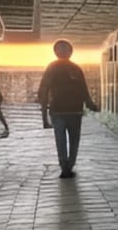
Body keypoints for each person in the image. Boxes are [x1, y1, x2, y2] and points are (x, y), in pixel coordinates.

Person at [37, 39, 98, 178]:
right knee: (74, 139)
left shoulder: (51, 68)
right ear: (71, 52)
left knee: (60, 140)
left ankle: (65, 166)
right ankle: (69, 165)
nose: (64, 52)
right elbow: (84, 92)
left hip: (58, 110)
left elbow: (43, 91)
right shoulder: (76, 69)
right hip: (73, 111)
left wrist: (44, 117)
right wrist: (92, 105)